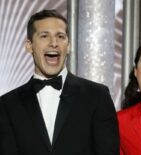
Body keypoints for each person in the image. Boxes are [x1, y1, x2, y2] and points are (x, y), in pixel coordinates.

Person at [0, 9, 119, 155]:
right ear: (29, 46)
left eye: (60, 36)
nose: (54, 43)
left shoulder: (97, 96)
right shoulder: (7, 104)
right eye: (44, 36)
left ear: (68, 46)